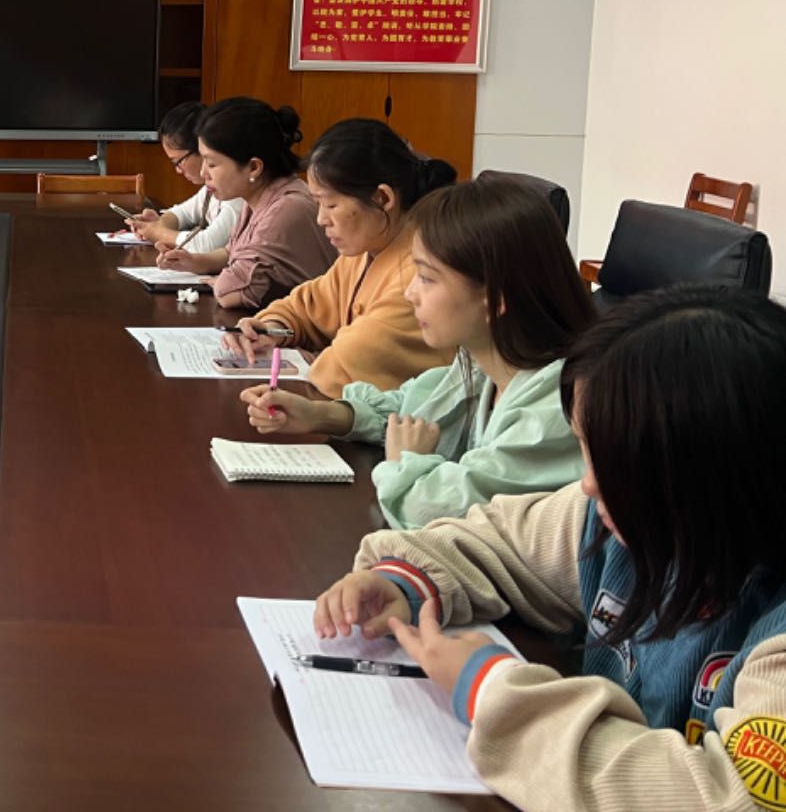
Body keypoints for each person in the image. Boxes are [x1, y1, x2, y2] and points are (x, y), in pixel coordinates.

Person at [310, 285, 786, 812]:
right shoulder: (616, 523)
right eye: (586, 449)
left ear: (715, 478)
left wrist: (490, 689)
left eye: (617, 464)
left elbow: (729, 797)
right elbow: (496, 543)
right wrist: (404, 582)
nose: (588, 484)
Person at [241, 174, 593, 528]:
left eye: (426, 277)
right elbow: (410, 410)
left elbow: (432, 508)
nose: (410, 293)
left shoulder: (556, 409)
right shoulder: (484, 363)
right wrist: (320, 415)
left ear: (494, 298)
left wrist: (406, 460)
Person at [225, 118, 457, 397]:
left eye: (331, 204)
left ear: (382, 198)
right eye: (318, 203)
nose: (321, 219)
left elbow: (345, 364)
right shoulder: (366, 250)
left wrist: (309, 358)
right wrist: (272, 328)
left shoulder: (422, 273)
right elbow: (307, 305)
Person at [156, 98, 334, 309]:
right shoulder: (257, 197)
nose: (203, 173)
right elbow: (230, 253)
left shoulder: (286, 209)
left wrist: (224, 281)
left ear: (253, 167)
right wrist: (194, 262)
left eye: (211, 164)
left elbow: (230, 294)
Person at [126, 101, 241, 255]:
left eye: (178, 162)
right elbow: (184, 213)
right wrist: (159, 223)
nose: (178, 170)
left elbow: (207, 245)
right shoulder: (212, 188)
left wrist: (157, 232)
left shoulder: (238, 192)